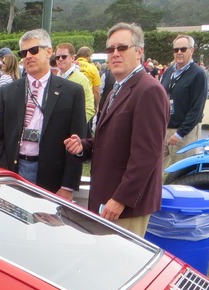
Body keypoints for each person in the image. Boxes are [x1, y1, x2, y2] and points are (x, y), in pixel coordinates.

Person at [63, 23, 168, 237]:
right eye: (110, 49)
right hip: (106, 199)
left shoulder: (149, 91)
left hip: (125, 207)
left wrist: (121, 199)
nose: (115, 54)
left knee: (121, 266)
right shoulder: (115, 91)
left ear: (139, 52)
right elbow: (108, 141)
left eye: (122, 48)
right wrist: (82, 146)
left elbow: (147, 155)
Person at [0, 29, 85, 199]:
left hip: (51, 177)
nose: (28, 56)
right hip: (15, 172)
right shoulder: (8, 91)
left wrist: (68, 186)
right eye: (23, 52)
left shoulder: (72, 92)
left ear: (49, 52)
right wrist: (0, 176)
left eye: (34, 50)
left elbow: (77, 141)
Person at [160, 34, 208, 169]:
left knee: (181, 172)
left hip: (185, 133)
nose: (179, 53)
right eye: (176, 50)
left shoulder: (198, 74)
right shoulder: (169, 71)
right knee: (153, 169)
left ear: (191, 50)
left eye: (183, 49)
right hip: (165, 129)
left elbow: (197, 108)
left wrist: (180, 133)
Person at [55, 42, 95, 122]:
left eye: (64, 57)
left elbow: (89, 109)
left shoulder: (82, 79)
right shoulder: (55, 78)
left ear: (72, 58)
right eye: (57, 57)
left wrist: (76, 126)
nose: (60, 59)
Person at [75, 46, 102, 110]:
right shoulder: (93, 68)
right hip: (87, 102)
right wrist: (97, 105)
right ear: (88, 56)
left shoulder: (71, 66)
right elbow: (96, 90)